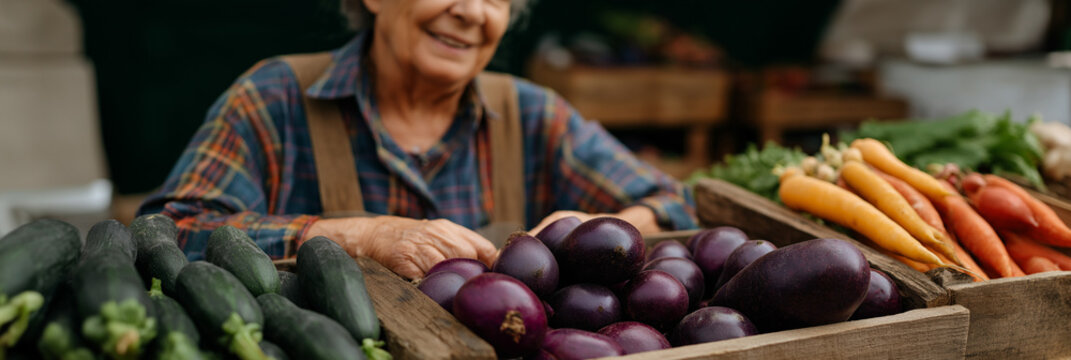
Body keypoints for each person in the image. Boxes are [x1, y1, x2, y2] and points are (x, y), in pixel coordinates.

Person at [138, 0, 696, 279]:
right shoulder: (273, 97)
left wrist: (591, 233)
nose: (472, 13)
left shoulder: (532, 113)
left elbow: (676, 201)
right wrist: (360, 235)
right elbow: (171, 233)